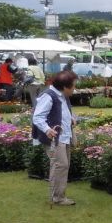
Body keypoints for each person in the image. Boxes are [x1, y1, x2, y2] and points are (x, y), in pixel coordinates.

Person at [31, 70, 79, 206]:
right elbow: (38, 116)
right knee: (60, 165)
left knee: (62, 166)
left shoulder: (63, 96)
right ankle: (57, 198)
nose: (74, 89)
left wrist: (72, 118)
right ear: (65, 87)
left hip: (64, 136)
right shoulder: (49, 96)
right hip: (54, 138)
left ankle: (58, 196)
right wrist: (47, 129)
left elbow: (64, 112)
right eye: (73, 86)